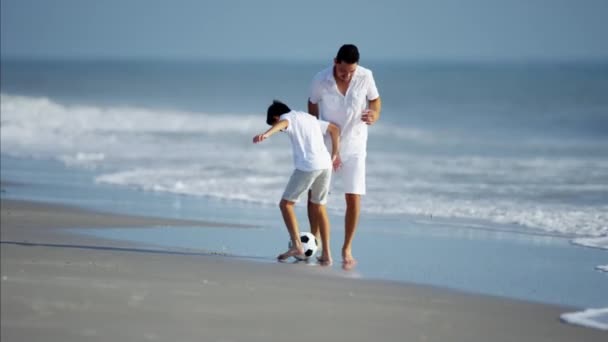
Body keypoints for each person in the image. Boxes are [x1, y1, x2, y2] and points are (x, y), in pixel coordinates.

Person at [307, 44, 382, 267]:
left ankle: (347, 248)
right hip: (327, 145)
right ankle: (315, 241)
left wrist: (375, 114)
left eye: (351, 71)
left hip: (356, 144)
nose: (348, 75)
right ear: (335, 61)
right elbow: (312, 104)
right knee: (317, 196)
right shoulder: (320, 80)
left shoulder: (365, 76)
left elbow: (375, 100)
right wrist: (316, 133)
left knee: (353, 196)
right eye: (343, 71)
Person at [253, 100, 341, 265]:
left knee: (286, 205)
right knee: (320, 207)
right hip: (325, 165)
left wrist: (266, 134)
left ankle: (297, 246)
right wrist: (335, 154)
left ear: (276, 117)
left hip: (309, 166)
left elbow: (284, 123)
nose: (281, 129)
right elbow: (335, 130)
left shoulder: (287, 118)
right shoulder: (309, 118)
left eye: (275, 122)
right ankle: (327, 255)